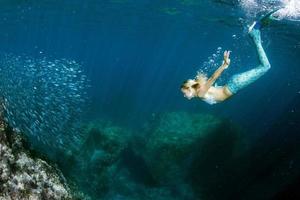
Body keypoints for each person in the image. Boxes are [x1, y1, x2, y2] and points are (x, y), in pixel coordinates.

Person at [181, 11, 277, 105]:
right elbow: (212, 86)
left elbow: (212, 78)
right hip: (233, 84)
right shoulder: (199, 91)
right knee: (263, 67)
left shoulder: (200, 93)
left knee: (265, 66)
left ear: (189, 89)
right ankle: (255, 33)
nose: (184, 96)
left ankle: (254, 33)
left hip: (235, 84)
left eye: (184, 93)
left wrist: (224, 65)